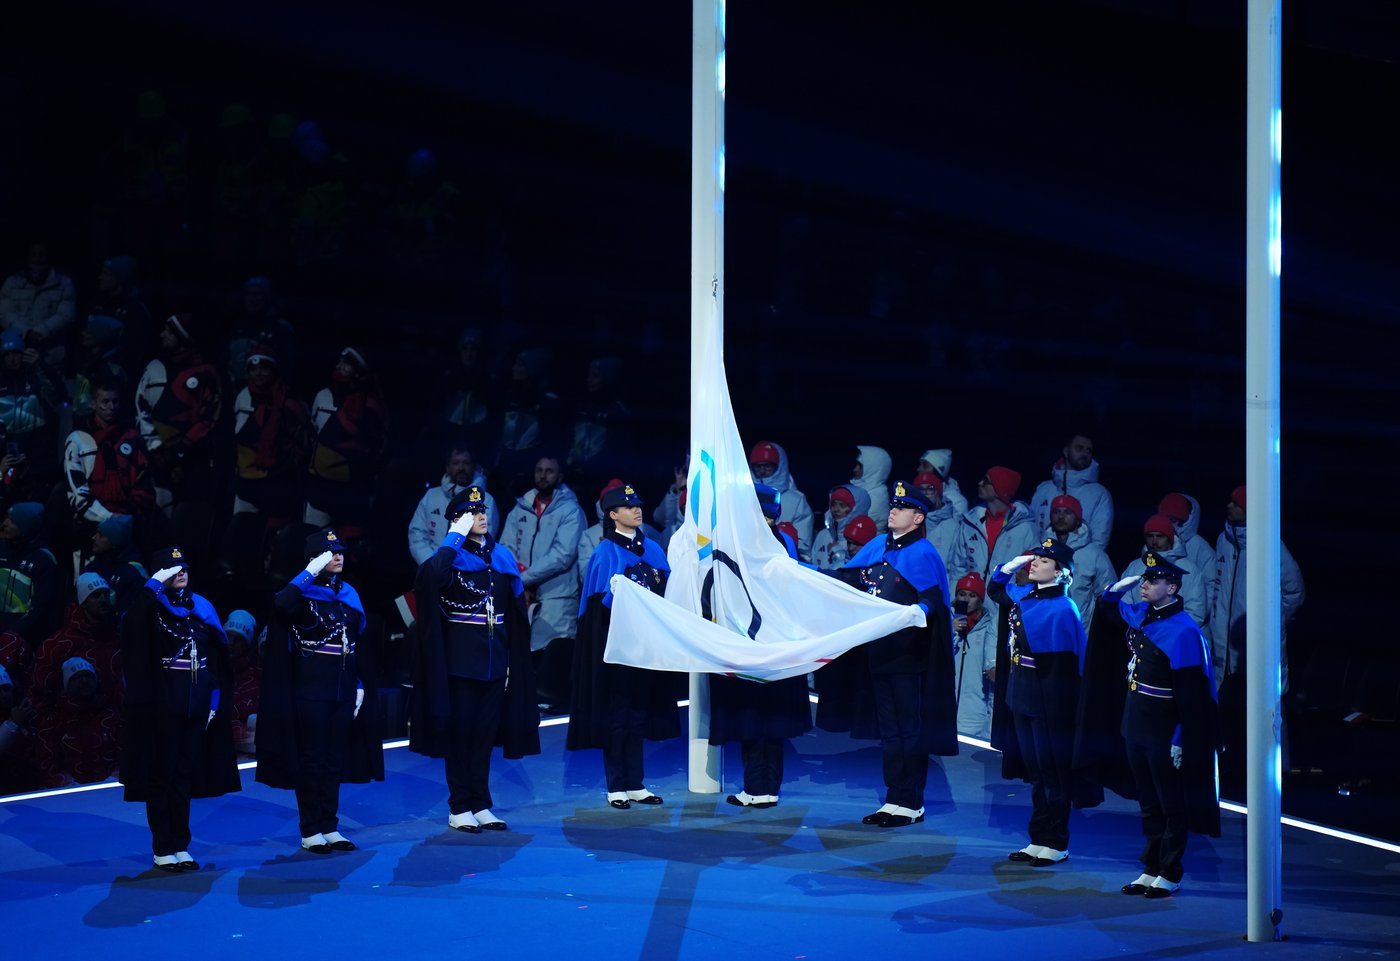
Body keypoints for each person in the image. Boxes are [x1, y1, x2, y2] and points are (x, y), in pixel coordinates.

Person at [409, 486, 539, 832]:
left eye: (482, 511)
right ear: (457, 520)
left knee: (483, 736)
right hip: (460, 663)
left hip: (494, 662)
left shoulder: (501, 558)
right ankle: (459, 806)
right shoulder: (448, 559)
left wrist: (511, 660)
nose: (481, 516)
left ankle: (481, 803)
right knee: (461, 735)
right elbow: (430, 580)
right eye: (471, 513)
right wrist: (454, 537)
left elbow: (514, 613)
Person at [827, 481, 956, 828]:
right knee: (889, 730)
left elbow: (933, 601)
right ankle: (893, 799)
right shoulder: (876, 545)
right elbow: (847, 580)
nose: (893, 511)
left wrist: (919, 611)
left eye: (902, 508)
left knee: (909, 729)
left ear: (918, 517)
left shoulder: (923, 553)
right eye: (894, 506)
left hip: (909, 656)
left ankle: (910, 802)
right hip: (879, 652)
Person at [256, 529, 384, 853]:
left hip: (343, 690)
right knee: (312, 760)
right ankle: (310, 829)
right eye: (330, 552)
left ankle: (330, 825)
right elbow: (280, 604)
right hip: (310, 691)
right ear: (314, 559)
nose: (338, 557)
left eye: (340, 551)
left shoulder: (348, 595)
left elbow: (357, 645)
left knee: (334, 759)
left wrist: (359, 684)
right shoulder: (301, 597)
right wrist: (309, 572)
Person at [1102, 554, 1220, 899]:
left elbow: (1194, 694)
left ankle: (1169, 871)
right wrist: (1115, 589)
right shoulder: (1142, 614)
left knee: (1171, 802)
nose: (1144, 585)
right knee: (1148, 800)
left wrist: (1181, 737)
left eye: (1153, 581)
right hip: (1136, 721)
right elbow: (1108, 610)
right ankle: (1150, 867)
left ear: (1172, 587)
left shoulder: (1184, 631)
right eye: (1144, 579)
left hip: (1163, 726)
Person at [120, 547, 240, 872]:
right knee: (161, 776)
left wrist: (214, 702)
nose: (180, 572)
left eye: (183, 567)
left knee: (184, 775)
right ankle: (163, 847)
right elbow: (131, 631)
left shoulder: (201, 608)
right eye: (171, 569)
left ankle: (181, 845)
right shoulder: (149, 611)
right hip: (162, 707)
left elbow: (216, 662)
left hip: (196, 706)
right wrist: (152, 586)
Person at [567, 482, 679, 809]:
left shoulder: (653, 549)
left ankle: (636, 783)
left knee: (639, 713)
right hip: (616, 646)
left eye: (638, 505)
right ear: (613, 515)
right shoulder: (605, 552)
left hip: (647, 644)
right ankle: (616, 785)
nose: (636, 510)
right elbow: (595, 608)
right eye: (629, 507)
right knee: (617, 715)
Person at [990, 541, 1094, 867]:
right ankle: (1038, 838)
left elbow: (1064, 671)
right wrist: (1009, 566)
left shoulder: (1062, 608)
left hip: (1047, 700)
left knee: (1053, 774)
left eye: (1044, 560)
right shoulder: (1027, 595)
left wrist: (1055, 711)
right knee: (1035, 773)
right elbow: (996, 590)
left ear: (1061, 573)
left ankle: (1056, 841)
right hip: (1021, 693)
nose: (1034, 563)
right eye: (1035, 558)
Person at [709, 484, 813, 807]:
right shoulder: (784, 543)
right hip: (779, 645)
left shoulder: (745, 545)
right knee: (772, 719)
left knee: (752, 716)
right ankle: (767, 789)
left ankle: (755, 788)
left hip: (750, 642)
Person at [500, 456, 585, 712]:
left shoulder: (570, 510)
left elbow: (562, 554)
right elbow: (505, 547)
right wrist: (516, 577)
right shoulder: (520, 508)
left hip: (557, 599)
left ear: (560, 476)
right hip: (522, 598)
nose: (543, 475)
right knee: (523, 662)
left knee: (553, 666)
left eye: (549, 471)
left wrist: (523, 578)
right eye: (539, 470)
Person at [27, 574, 121, 717]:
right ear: (83, 602)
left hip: (115, 717)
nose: (103, 600)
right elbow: (41, 693)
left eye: (106, 594)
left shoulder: (118, 636)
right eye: (95, 595)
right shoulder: (58, 644)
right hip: (69, 720)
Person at [952, 465, 1039, 592]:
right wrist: (954, 598)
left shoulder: (1025, 528)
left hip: (1005, 600)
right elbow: (957, 567)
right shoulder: (970, 522)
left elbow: (1032, 571)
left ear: (1001, 489)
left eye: (986, 481)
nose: (980, 483)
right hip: (972, 600)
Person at [408, 443, 500, 564]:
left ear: (473, 467)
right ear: (447, 467)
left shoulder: (486, 501)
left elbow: (483, 541)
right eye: (456, 463)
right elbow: (417, 534)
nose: (461, 468)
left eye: (466, 463)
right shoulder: (431, 496)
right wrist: (431, 565)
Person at [1041, 494, 1117, 634]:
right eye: (1056, 512)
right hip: (1043, 632)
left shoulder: (1094, 555)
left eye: (1067, 512)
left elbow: (1109, 596)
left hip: (1079, 634)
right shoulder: (1040, 550)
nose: (1061, 516)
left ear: (1078, 519)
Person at [1119, 515, 1208, 627]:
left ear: (1169, 539)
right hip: (1140, 632)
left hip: (1176, 635)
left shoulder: (1190, 569)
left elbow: (1196, 611)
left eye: (1160, 536)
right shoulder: (1134, 567)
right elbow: (1124, 602)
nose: (1154, 541)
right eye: (1150, 536)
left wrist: (1170, 632)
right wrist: (1142, 628)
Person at [1028, 434, 1114, 550]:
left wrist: (1082, 560)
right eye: (1079, 448)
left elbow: (1099, 543)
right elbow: (1031, 531)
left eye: (1088, 450)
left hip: (1079, 560)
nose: (1085, 454)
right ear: (1066, 451)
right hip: (1042, 557)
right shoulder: (1043, 489)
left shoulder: (1100, 494)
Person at [0, 502, 62, 646]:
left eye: (12, 521)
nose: (5, 524)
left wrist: (12, 634)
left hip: (22, 640)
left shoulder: (44, 560)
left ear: (25, 527)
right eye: (7, 518)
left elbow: (41, 607)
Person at [748, 441, 815, 561]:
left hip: (785, 561)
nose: (762, 470)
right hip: (749, 558)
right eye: (758, 466)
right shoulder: (745, 496)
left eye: (767, 466)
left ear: (779, 466)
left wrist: (784, 537)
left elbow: (804, 548)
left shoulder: (796, 501)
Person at [952, 571, 997, 741]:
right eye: (962, 594)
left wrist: (989, 728)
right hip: (943, 713)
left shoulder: (989, 630)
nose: (966, 599)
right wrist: (951, 632)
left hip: (974, 719)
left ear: (980, 599)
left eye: (972, 595)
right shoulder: (945, 623)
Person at [811, 483, 871, 571]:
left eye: (842, 505)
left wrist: (839, 554)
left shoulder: (864, 541)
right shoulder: (823, 535)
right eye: (833, 504)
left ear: (856, 509)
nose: (836, 509)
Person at [850, 445, 892, 532]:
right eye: (856, 464)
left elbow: (851, 524)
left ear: (873, 468)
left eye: (860, 466)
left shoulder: (877, 497)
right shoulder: (862, 489)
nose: (855, 469)